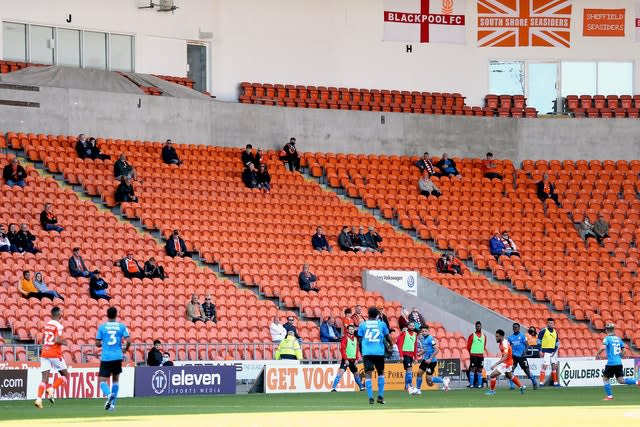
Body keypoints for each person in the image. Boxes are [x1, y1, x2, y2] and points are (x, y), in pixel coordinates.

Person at [96, 306, 130, 411]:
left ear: (107, 315)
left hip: (106, 356)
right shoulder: (122, 326)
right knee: (115, 380)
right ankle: (112, 405)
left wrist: (103, 342)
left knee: (102, 381)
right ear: (116, 315)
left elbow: (97, 343)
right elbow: (129, 341)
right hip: (117, 356)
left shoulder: (102, 327)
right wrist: (125, 349)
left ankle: (109, 394)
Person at [34, 306, 69, 409]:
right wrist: (65, 342)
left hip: (45, 352)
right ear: (59, 315)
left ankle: (39, 399)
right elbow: (57, 340)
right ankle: (52, 389)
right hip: (54, 353)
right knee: (65, 375)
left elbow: (44, 339)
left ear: (51, 315)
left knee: (44, 378)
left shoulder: (47, 324)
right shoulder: (59, 325)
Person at [358, 306, 392, 405]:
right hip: (379, 352)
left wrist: (361, 351)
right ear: (377, 315)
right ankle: (380, 396)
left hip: (367, 352)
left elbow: (360, 340)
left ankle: (370, 397)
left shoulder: (363, 325)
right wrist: (391, 344)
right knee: (381, 373)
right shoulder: (381, 324)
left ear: (368, 315)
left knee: (368, 374)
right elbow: (387, 336)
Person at [596, 323, 638, 400]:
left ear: (606, 330)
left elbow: (603, 347)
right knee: (621, 380)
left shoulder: (607, 338)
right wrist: (619, 355)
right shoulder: (619, 339)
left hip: (611, 363)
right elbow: (624, 351)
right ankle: (637, 382)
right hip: (619, 362)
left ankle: (609, 396)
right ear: (613, 330)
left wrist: (597, 354)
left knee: (605, 379)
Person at [485, 329, 526, 396]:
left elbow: (505, 357)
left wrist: (495, 364)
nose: (496, 338)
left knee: (492, 375)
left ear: (501, 336)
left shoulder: (504, 344)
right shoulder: (503, 342)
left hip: (507, 363)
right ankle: (521, 387)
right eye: (496, 336)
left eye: (497, 336)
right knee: (509, 375)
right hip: (509, 362)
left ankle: (492, 391)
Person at [412, 325, 450, 395]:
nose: (424, 332)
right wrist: (419, 354)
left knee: (429, 379)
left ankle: (444, 380)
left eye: (425, 331)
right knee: (419, 373)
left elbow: (437, 349)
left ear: (428, 332)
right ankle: (418, 390)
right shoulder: (422, 338)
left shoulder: (430, 339)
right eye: (422, 331)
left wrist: (430, 358)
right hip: (425, 360)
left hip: (431, 361)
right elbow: (426, 349)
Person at [330, 324, 365, 392]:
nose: (351, 330)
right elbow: (342, 349)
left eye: (352, 329)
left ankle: (361, 387)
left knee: (356, 373)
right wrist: (345, 359)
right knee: (341, 372)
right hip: (346, 359)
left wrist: (356, 359)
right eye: (350, 329)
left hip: (353, 360)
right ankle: (333, 388)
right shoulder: (345, 338)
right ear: (347, 330)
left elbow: (356, 349)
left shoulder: (355, 339)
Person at [507, 323, 537, 389]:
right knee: (510, 371)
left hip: (521, 356)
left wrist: (525, 351)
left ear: (519, 328)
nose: (515, 328)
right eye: (514, 327)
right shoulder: (510, 337)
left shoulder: (522, 336)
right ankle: (512, 386)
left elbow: (527, 345)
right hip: (514, 356)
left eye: (516, 327)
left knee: (527, 372)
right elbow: (508, 347)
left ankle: (534, 381)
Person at [537, 317, 560, 387]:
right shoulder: (543, 331)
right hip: (545, 351)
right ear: (547, 324)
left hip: (553, 352)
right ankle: (541, 383)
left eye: (552, 323)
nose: (551, 324)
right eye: (550, 323)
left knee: (554, 367)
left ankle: (555, 383)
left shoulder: (555, 332)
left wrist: (555, 350)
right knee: (544, 366)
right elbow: (538, 341)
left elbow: (557, 343)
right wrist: (540, 350)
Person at [397, 322, 419, 393]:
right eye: (410, 325)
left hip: (411, 355)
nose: (412, 327)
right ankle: (411, 385)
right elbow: (399, 344)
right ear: (408, 326)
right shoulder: (404, 333)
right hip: (405, 353)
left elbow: (415, 347)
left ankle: (406, 386)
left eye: (413, 326)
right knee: (409, 369)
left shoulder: (415, 335)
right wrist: (401, 355)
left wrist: (416, 358)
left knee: (408, 370)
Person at [466, 321, 487, 388]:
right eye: (477, 326)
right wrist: (471, 353)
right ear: (475, 327)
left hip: (481, 355)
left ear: (481, 326)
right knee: (472, 369)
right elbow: (468, 346)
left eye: (479, 326)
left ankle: (480, 384)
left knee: (480, 370)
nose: (478, 327)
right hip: (474, 355)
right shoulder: (472, 335)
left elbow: (484, 345)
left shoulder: (484, 336)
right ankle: (471, 384)